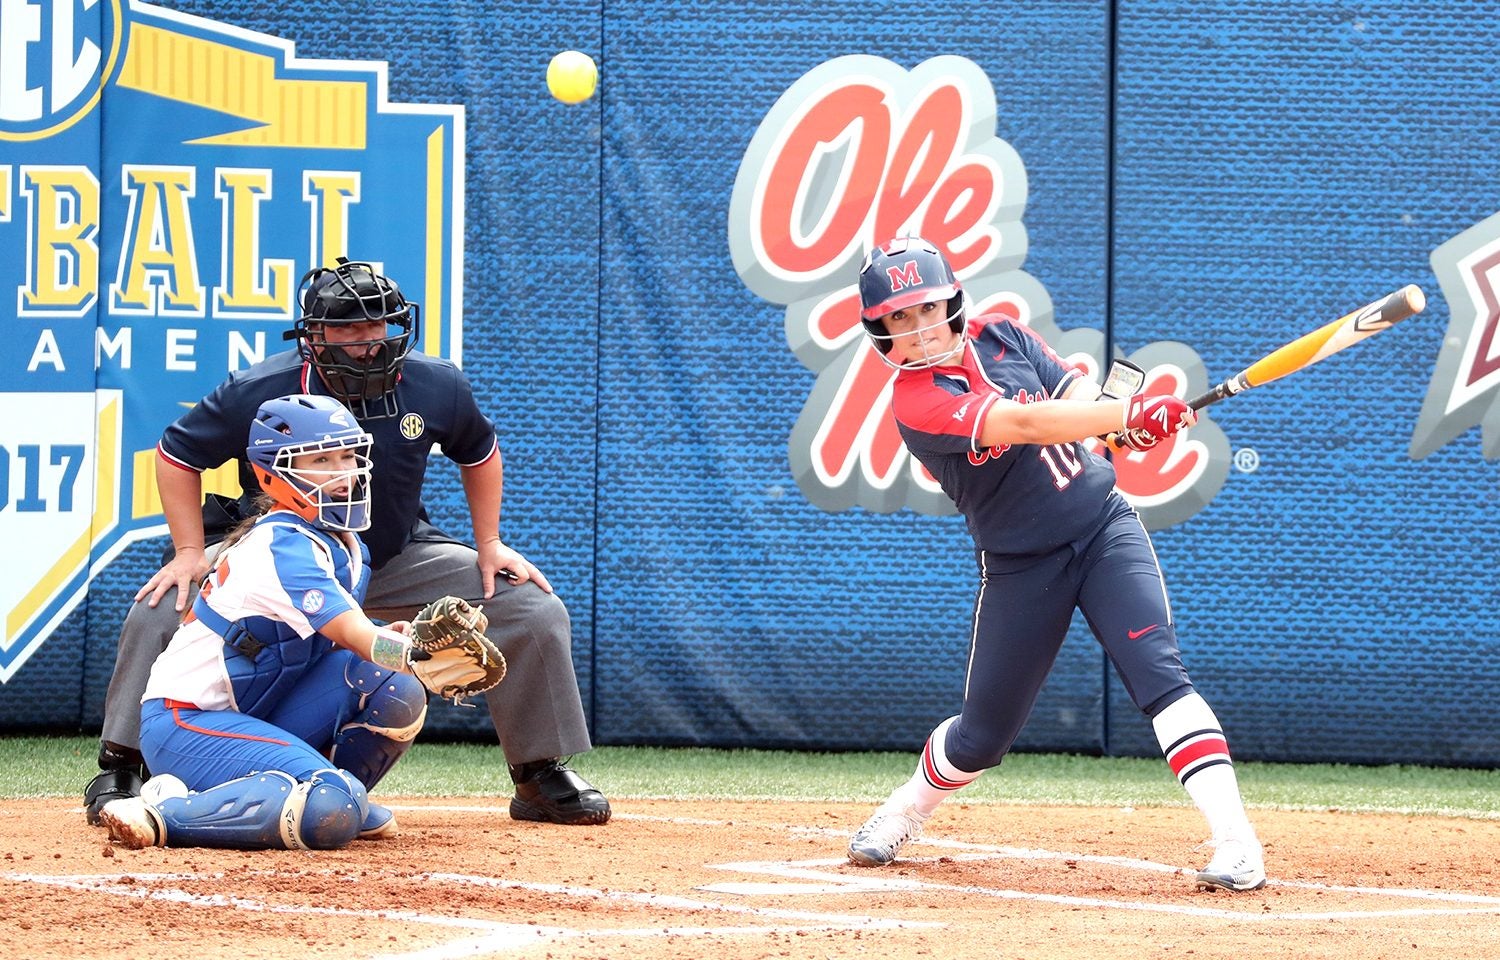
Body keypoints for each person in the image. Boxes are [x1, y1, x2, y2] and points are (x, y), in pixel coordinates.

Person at [84, 258, 609, 828]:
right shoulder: (261, 390)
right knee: (168, 602)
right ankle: (123, 764)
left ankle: (536, 774)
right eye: (349, 329)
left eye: (378, 325)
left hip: (388, 553)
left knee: (527, 604)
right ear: (314, 335)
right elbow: (176, 455)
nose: (367, 341)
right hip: (287, 548)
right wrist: (189, 552)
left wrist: (490, 542)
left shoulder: (435, 383)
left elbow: (479, 450)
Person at [844, 236, 1265, 892]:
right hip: (1020, 565)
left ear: (952, 303)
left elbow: (1069, 393)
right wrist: (1129, 411)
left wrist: (1122, 428)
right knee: (980, 740)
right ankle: (907, 808)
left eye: (927, 308)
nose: (919, 328)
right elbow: (1028, 426)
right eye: (900, 317)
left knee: (1160, 676)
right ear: (881, 332)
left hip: (1103, 531)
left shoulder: (1005, 335)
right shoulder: (916, 402)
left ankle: (1238, 844)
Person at [99, 393, 435, 849]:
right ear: (269, 475)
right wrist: (414, 653)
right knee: (328, 806)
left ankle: (330, 792)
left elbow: (343, 644)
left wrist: (394, 640)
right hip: (186, 723)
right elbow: (353, 634)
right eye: (320, 459)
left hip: (255, 710)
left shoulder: (344, 544)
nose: (343, 472)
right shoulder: (283, 545)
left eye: (348, 456)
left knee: (390, 686)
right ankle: (164, 811)